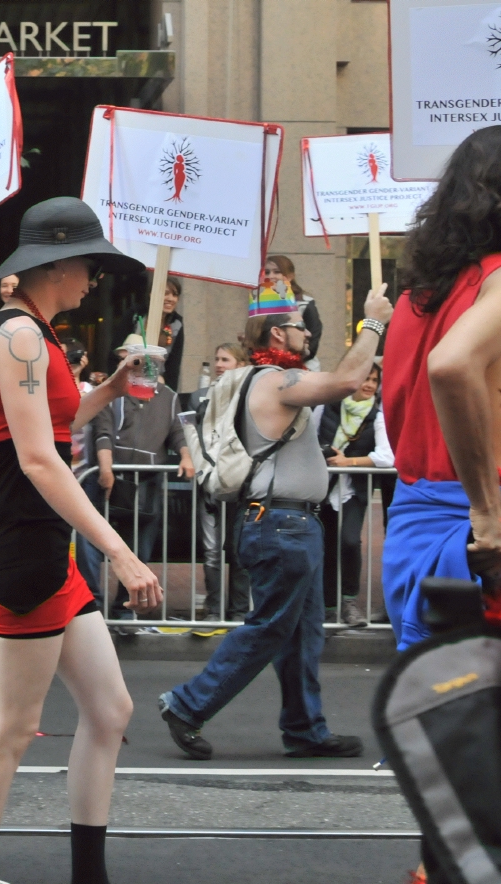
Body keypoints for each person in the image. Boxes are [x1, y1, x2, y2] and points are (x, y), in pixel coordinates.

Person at [0, 198, 160, 884]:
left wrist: (110, 388)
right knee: (9, 732)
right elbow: (38, 459)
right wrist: (122, 552)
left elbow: (50, 425)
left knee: (110, 710)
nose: (93, 281)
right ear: (58, 263)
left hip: (44, 550)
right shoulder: (21, 338)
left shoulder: (31, 335)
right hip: (25, 549)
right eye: (88, 267)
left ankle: (88, 875)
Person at [159, 282, 393, 761]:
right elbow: (349, 381)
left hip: (289, 524)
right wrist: (372, 322)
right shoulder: (274, 381)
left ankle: (305, 728)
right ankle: (187, 704)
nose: (307, 333)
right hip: (282, 525)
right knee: (268, 627)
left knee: (302, 633)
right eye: (298, 326)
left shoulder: (269, 379)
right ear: (276, 334)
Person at [382, 125, 501, 659]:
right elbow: (451, 367)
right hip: (481, 533)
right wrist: (487, 508)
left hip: (415, 522)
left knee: (442, 712)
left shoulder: (417, 296)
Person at [90, 333, 194, 623]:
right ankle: (90, 605)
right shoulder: (112, 391)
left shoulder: (169, 397)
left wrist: (186, 456)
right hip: (115, 476)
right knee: (93, 542)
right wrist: (106, 468)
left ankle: (124, 609)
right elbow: (104, 431)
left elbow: (177, 432)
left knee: (140, 547)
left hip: (148, 480)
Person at [319, 364, 390, 627]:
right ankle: (328, 606)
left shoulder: (378, 415)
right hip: (323, 486)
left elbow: (386, 457)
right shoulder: (327, 406)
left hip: (353, 489)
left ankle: (349, 601)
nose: (370, 385)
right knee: (326, 544)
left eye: (374, 380)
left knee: (349, 541)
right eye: (365, 379)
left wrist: (348, 462)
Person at [191, 343, 252, 630]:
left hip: (241, 483)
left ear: (240, 365)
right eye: (216, 359)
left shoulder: (250, 398)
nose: (218, 364)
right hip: (210, 484)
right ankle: (214, 608)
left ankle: (239, 610)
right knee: (212, 550)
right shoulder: (200, 397)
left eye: (225, 359)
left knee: (239, 550)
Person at [265, 256, 323, 371]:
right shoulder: (260, 304)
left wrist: (290, 361)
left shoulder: (305, 303)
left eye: (277, 272)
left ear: (290, 276)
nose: (270, 276)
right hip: (269, 366)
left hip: (302, 367)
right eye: (267, 272)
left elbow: (313, 339)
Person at [127, 277, 185, 389]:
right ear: (151, 294)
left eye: (175, 295)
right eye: (166, 293)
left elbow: (174, 366)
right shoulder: (135, 315)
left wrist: (169, 395)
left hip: (159, 384)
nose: (171, 299)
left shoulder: (177, 323)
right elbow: (116, 353)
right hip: (130, 380)